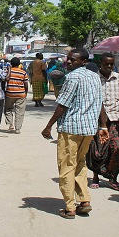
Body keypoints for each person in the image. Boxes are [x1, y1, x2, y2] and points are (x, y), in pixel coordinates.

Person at [41, 48, 105, 219]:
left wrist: (48, 126)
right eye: (68, 59)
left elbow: (63, 104)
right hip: (88, 129)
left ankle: (70, 207)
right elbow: (100, 102)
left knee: (67, 165)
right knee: (80, 163)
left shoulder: (72, 77)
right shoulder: (95, 77)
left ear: (84, 62)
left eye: (73, 60)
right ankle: (84, 200)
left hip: (71, 128)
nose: (69, 62)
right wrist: (102, 125)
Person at [88, 52, 119, 191]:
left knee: (116, 148)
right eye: (106, 64)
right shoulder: (94, 78)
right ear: (101, 63)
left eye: (111, 64)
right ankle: (95, 176)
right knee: (98, 150)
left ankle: (112, 177)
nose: (109, 66)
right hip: (97, 120)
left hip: (115, 118)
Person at [4, 57, 29, 134]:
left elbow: (4, 80)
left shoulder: (8, 71)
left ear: (11, 64)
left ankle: (10, 124)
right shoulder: (23, 73)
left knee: (8, 109)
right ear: (19, 64)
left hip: (10, 93)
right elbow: (26, 84)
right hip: (21, 94)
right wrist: (25, 93)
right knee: (20, 111)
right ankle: (17, 129)